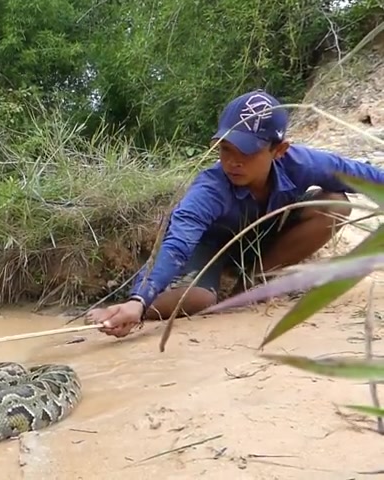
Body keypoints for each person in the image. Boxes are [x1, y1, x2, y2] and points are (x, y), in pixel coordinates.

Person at [86, 89, 384, 338]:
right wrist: (140, 298)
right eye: (226, 149)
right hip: (212, 246)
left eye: (247, 152)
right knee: (201, 298)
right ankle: (127, 310)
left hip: (267, 237)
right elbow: (177, 243)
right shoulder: (211, 188)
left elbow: (359, 175)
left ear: (279, 150)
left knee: (336, 204)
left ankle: (255, 280)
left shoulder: (301, 163)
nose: (233, 162)